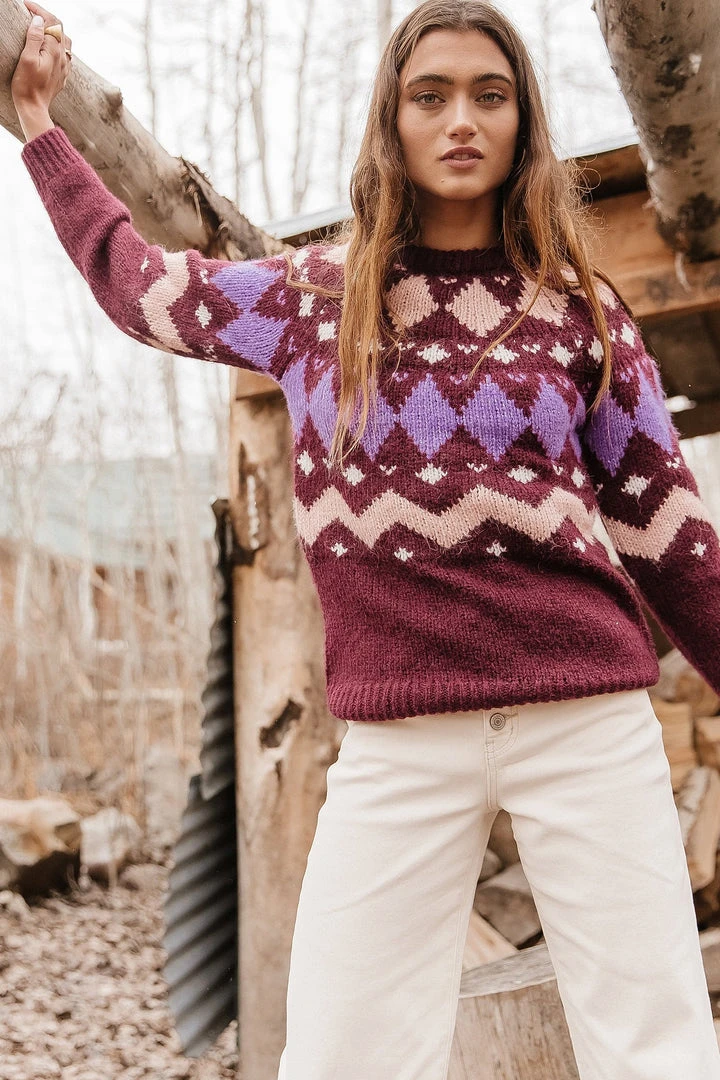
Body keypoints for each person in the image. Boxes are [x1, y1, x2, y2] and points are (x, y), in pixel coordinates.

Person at [11, 1, 720, 1077]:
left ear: (523, 122)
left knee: (655, 1045)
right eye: (430, 96)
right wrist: (41, 129)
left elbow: (672, 539)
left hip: (585, 723)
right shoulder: (317, 299)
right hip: (400, 739)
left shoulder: (582, 309)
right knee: (343, 1053)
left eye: (489, 95)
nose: (460, 120)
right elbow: (142, 289)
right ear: (392, 120)